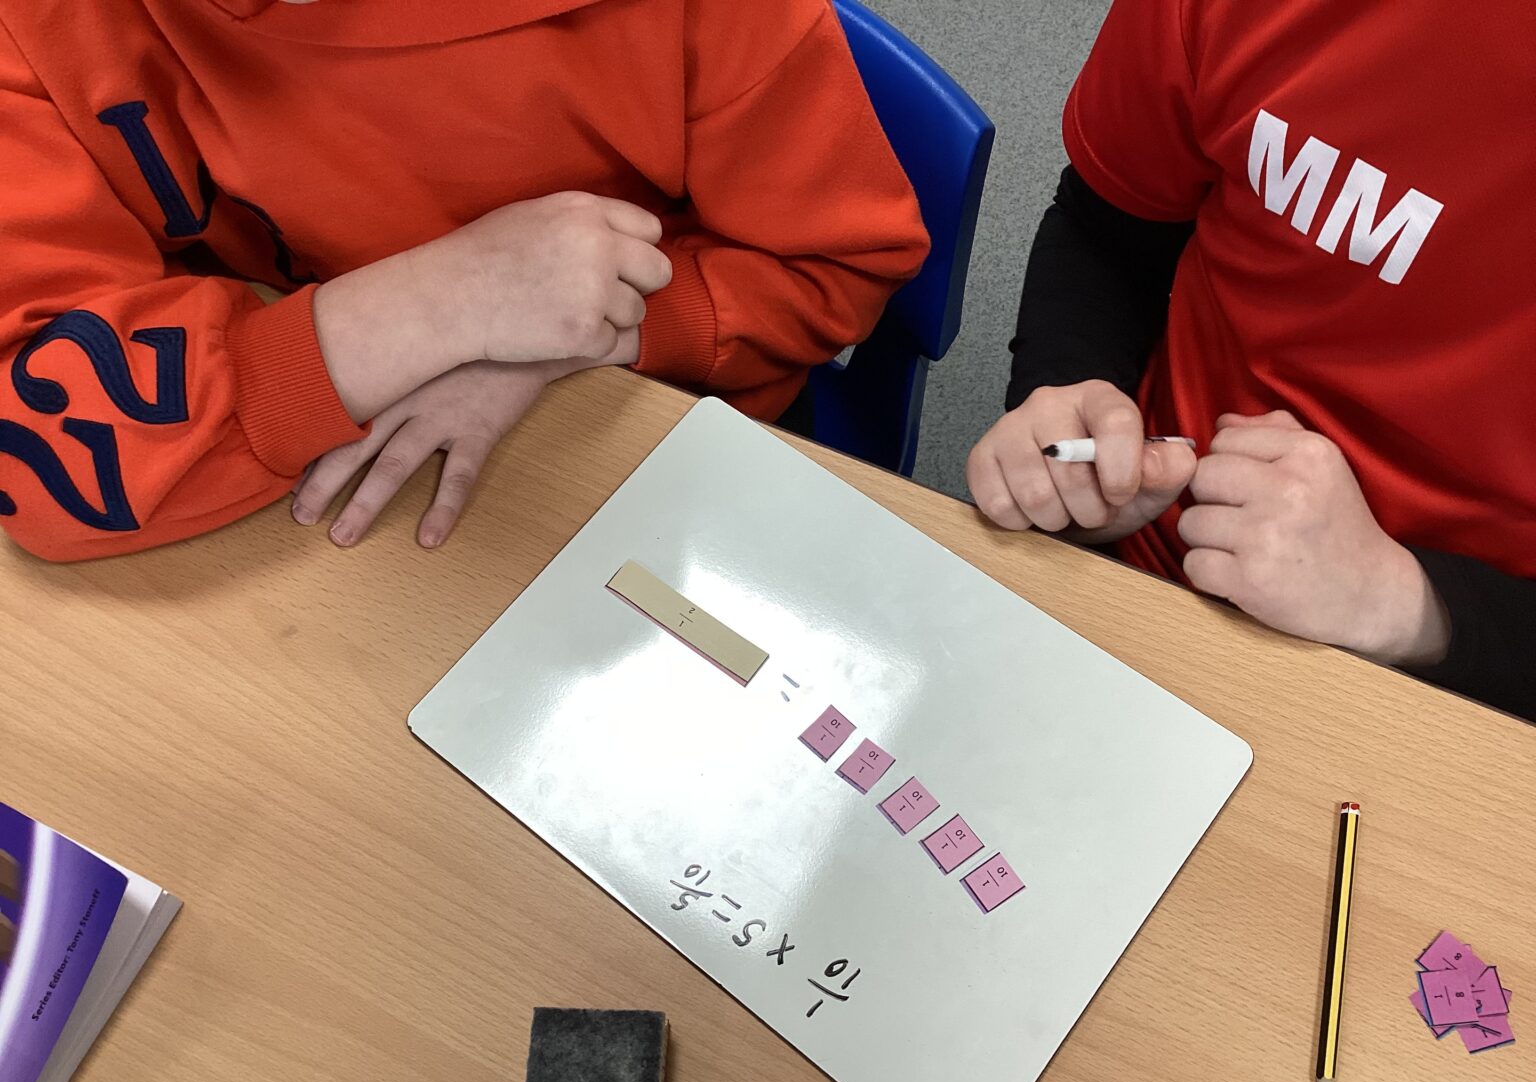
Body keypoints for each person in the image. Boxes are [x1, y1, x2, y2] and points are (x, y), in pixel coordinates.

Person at [0, 0, 928, 561]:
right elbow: (35, 437)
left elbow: (833, 267)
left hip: (651, 447)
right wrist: (439, 304)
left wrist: (573, 336)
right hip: (314, 501)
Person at [967, 0, 1534, 719]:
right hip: (1135, 553)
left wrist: (1408, 605)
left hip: (1459, 699)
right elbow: (1105, 228)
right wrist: (1073, 403)